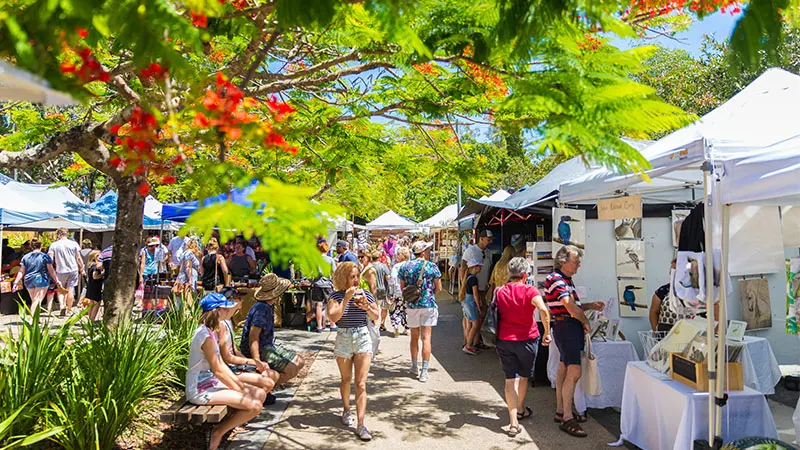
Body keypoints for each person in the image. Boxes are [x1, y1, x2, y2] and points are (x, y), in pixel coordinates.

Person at [186, 294, 267, 450]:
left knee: (259, 394)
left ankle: (228, 425)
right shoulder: (205, 336)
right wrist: (240, 389)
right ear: (217, 311)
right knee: (255, 405)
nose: (230, 309)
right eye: (226, 307)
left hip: (211, 383)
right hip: (200, 389)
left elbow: (222, 366)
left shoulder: (211, 332)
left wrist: (240, 386)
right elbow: (218, 370)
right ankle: (218, 432)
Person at [545, 245, 604, 438]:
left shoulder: (564, 280)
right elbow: (569, 307)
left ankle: (562, 411)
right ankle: (567, 417)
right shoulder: (557, 279)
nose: (578, 264)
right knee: (574, 371)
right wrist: (585, 320)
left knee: (564, 368)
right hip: (567, 328)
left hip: (567, 327)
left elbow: (572, 306)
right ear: (563, 261)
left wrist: (589, 306)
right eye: (576, 261)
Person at [495, 257, 552, 436]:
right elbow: (543, 309)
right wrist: (547, 332)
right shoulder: (530, 290)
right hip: (527, 340)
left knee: (509, 380)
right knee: (524, 376)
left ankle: (513, 422)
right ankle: (520, 408)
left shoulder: (499, 291)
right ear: (525, 275)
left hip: (505, 339)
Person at [327, 261, 380, 441]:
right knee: (346, 379)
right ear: (343, 278)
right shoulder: (336, 296)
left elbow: (376, 316)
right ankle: (346, 409)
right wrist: (347, 299)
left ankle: (361, 424)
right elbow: (333, 317)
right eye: (352, 277)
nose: (356, 280)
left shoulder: (364, 294)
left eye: (357, 276)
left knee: (361, 383)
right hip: (343, 338)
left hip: (362, 337)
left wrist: (366, 307)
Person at [214, 290, 281, 404]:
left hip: (235, 365)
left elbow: (234, 350)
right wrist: (253, 362)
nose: (242, 301)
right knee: (268, 381)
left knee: (273, 374)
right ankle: (249, 404)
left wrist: (252, 362)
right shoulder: (221, 324)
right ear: (230, 302)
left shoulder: (229, 321)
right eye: (238, 298)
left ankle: (255, 401)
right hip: (229, 369)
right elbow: (227, 357)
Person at [241, 274, 305, 384]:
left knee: (300, 361)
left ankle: (268, 382)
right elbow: (253, 337)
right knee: (292, 370)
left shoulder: (269, 306)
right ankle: (263, 386)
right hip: (261, 348)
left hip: (268, 345)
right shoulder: (261, 309)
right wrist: (257, 361)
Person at [398, 240, 442, 383]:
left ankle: (414, 366)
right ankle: (424, 371)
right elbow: (439, 288)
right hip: (428, 304)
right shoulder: (432, 267)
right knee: (426, 338)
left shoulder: (404, 267)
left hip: (412, 305)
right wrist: (429, 294)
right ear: (423, 252)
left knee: (414, 337)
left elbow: (402, 288)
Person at [12, 238, 62, 313]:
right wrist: (57, 280)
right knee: (37, 300)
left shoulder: (25, 257)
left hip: (28, 280)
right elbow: (51, 270)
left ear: (31, 247)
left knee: (34, 300)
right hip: (41, 279)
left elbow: (21, 271)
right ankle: (32, 320)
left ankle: (37, 319)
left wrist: (16, 282)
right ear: (41, 246)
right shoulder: (45, 257)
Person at [48, 227, 84, 316]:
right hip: (73, 269)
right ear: (67, 234)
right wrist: (82, 267)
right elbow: (78, 257)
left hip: (61, 270)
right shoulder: (74, 244)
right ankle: (69, 309)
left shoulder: (54, 245)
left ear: (58, 234)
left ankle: (62, 306)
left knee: (60, 289)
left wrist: (50, 267)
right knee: (70, 289)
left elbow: (50, 259)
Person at [649, 259, 692, 332]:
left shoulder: (696, 292)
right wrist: (656, 331)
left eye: (676, 270)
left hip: (690, 334)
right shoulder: (663, 290)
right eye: (672, 270)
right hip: (666, 334)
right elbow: (653, 312)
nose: (673, 273)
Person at [460, 229, 493, 308]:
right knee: (472, 314)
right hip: (472, 288)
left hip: (484, 287)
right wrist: (464, 286)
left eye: (491, 240)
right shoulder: (470, 251)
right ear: (481, 239)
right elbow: (463, 267)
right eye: (488, 240)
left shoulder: (489, 252)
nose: (491, 242)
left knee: (481, 311)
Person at [311, 238, 337, 332]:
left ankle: (319, 327)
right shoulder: (330, 260)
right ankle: (332, 324)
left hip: (317, 285)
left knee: (318, 305)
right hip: (327, 285)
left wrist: (312, 281)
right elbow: (334, 272)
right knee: (330, 304)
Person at [462, 259, 482, 355]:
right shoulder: (474, 279)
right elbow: (476, 295)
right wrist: (479, 306)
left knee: (468, 324)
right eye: (479, 266)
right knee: (475, 324)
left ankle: (467, 343)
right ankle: (469, 345)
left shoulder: (468, 277)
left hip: (466, 302)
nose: (480, 268)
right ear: (474, 267)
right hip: (471, 303)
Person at [388, 246, 410, 336]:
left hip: (398, 292)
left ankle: (396, 326)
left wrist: (391, 293)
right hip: (409, 292)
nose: (396, 256)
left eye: (398, 255)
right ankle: (407, 329)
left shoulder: (396, 267)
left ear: (402, 256)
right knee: (407, 310)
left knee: (396, 309)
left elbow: (392, 280)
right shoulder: (411, 265)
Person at [176, 237, 202, 303]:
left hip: (183, 276)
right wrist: (190, 279)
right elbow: (188, 267)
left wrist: (178, 278)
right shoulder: (189, 253)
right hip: (190, 276)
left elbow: (181, 266)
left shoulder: (185, 253)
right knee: (190, 295)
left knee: (184, 295)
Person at [370, 251, 391, 331]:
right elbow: (387, 277)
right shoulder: (383, 266)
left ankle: (374, 324)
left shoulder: (370, 266)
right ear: (379, 257)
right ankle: (382, 323)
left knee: (374, 306)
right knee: (384, 307)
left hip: (372, 289)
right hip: (383, 289)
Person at [84, 250, 105, 321]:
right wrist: (102, 274)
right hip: (96, 286)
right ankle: (92, 319)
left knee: (91, 303)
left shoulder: (90, 266)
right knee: (97, 303)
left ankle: (90, 319)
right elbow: (95, 276)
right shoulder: (96, 266)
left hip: (90, 286)